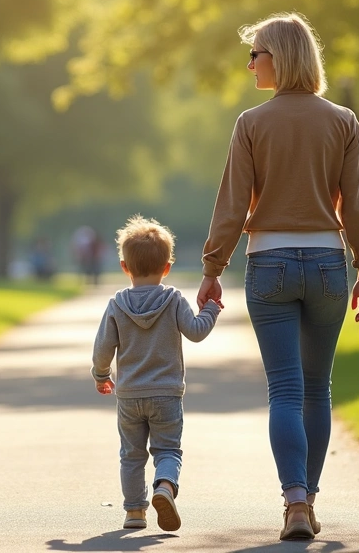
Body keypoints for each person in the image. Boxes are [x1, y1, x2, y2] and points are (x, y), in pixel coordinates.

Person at [196, 12, 359, 541]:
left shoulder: (251, 124)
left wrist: (213, 269)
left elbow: (231, 207)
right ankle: (308, 501)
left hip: (269, 264)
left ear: (280, 56)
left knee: (284, 388)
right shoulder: (342, 120)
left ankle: (295, 501)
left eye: (256, 53)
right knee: (316, 389)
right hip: (326, 265)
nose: (250, 63)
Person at [92, 215, 222, 532]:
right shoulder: (173, 299)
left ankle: (135, 512)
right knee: (167, 450)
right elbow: (195, 332)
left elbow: (102, 348)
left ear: (125, 267)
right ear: (167, 267)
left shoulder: (117, 304)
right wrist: (211, 309)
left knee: (132, 455)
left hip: (129, 395)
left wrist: (101, 375)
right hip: (166, 394)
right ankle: (164, 488)